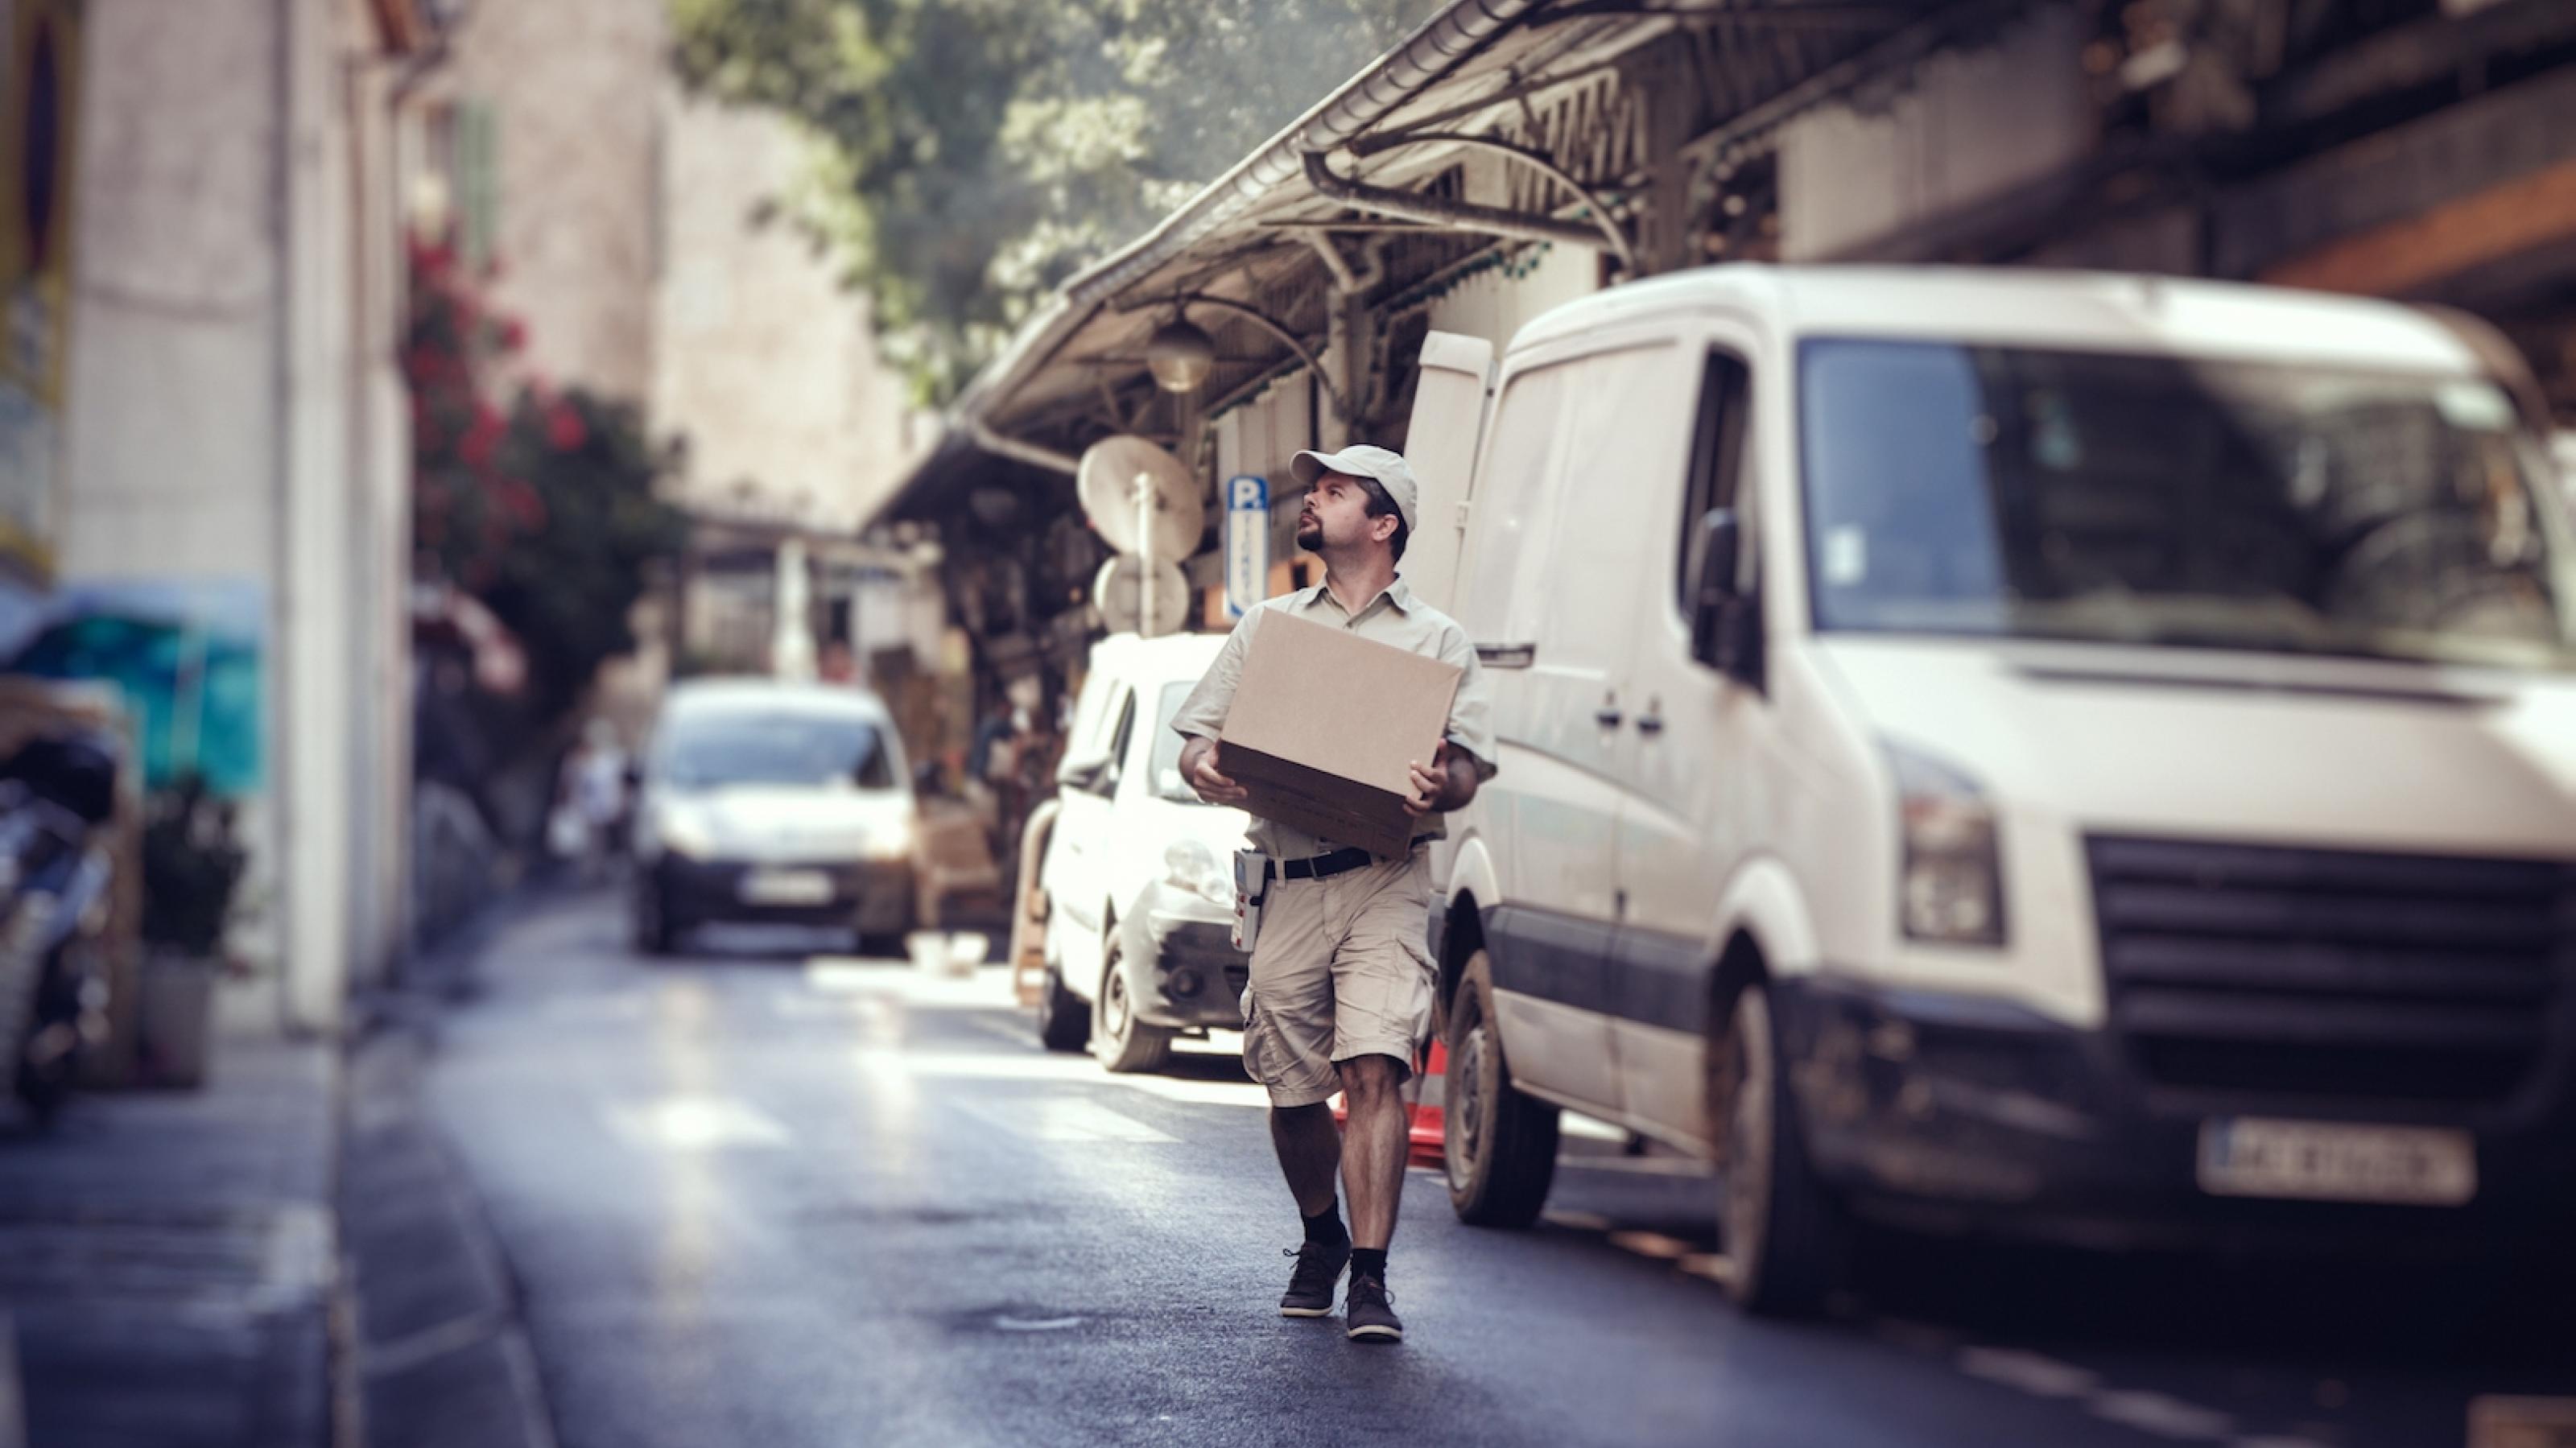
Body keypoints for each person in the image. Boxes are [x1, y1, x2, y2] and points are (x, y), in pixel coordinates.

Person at [1169, 443, 1494, 1345]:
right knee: (1290, 1086)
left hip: (1383, 878)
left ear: (1382, 523)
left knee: (1374, 1064)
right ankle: (1322, 1234)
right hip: (1286, 882)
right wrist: (1206, 769)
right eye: (1312, 489)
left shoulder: (1437, 640)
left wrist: (1444, 783)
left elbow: (1466, 764)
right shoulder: (1268, 625)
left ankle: (1372, 1277)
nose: (1309, 499)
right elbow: (1196, 739)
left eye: (1333, 490)